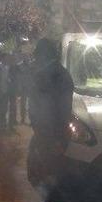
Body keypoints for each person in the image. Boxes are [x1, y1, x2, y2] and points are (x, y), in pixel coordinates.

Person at [27, 39, 74, 193]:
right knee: (48, 174)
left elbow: (55, 109)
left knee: (44, 175)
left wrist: (55, 139)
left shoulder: (42, 76)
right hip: (54, 135)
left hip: (48, 134)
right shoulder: (64, 74)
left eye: (38, 54)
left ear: (43, 54)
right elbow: (65, 110)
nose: (36, 58)